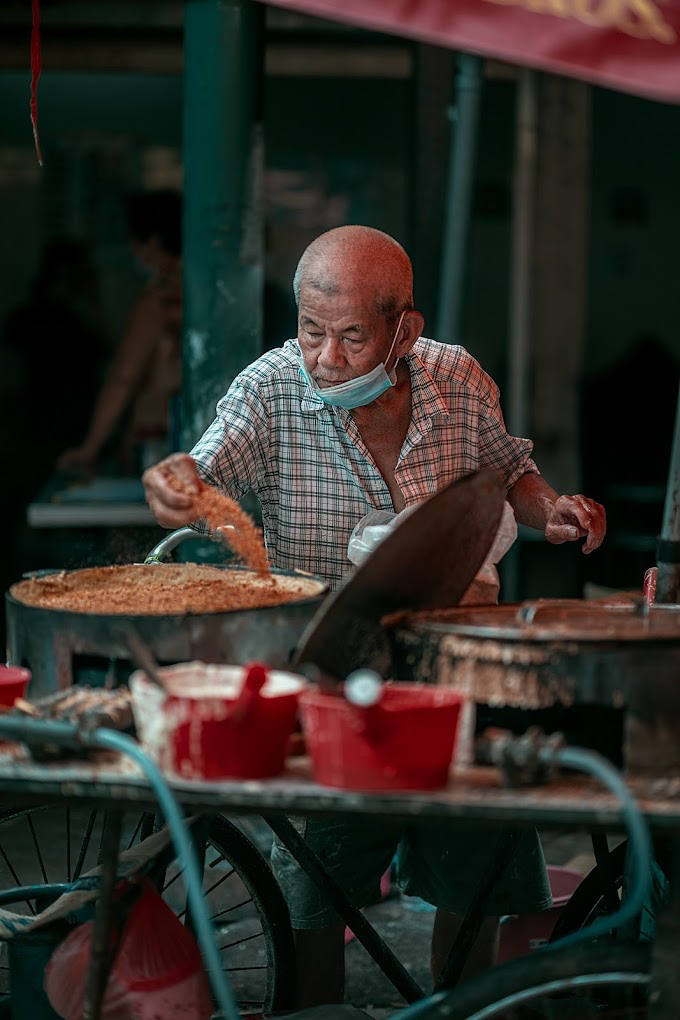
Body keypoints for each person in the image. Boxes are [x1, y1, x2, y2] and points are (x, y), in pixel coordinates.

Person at [142, 225, 606, 1006]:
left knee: (474, 876)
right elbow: (201, 470)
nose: (326, 356)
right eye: (311, 330)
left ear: (405, 330)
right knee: (313, 891)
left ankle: (458, 1005)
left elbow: (511, 471)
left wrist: (552, 508)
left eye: (353, 336)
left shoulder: (457, 379)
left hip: (457, 670)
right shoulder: (269, 391)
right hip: (328, 677)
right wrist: (174, 485)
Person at [58, 189, 182, 475]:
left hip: (155, 443)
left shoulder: (158, 300)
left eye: (133, 242)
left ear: (152, 243)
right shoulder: (209, 292)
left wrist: (88, 449)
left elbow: (123, 377)